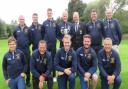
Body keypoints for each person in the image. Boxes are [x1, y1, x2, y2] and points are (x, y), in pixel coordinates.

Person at [13, 15, 30, 87]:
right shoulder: (16, 29)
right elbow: (14, 39)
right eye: (20, 19)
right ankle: (20, 80)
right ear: (18, 20)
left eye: (23, 19)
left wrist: (27, 44)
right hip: (18, 51)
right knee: (19, 66)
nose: (22, 20)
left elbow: (31, 38)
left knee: (27, 65)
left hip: (26, 50)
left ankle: (28, 81)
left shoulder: (28, 29)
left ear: (24, 20)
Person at [41, 8, 57, 80]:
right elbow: (42, 34)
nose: (49, 14)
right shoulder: (44, 23)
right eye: (48, 13)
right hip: (46, 46)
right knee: (46, 60)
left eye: (50, 13)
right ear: (47, 14)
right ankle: (46, 76)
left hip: (53, 45)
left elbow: (57, 33)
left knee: (53, 60)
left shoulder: (55, 22)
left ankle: (53, 76)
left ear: (52, 14)